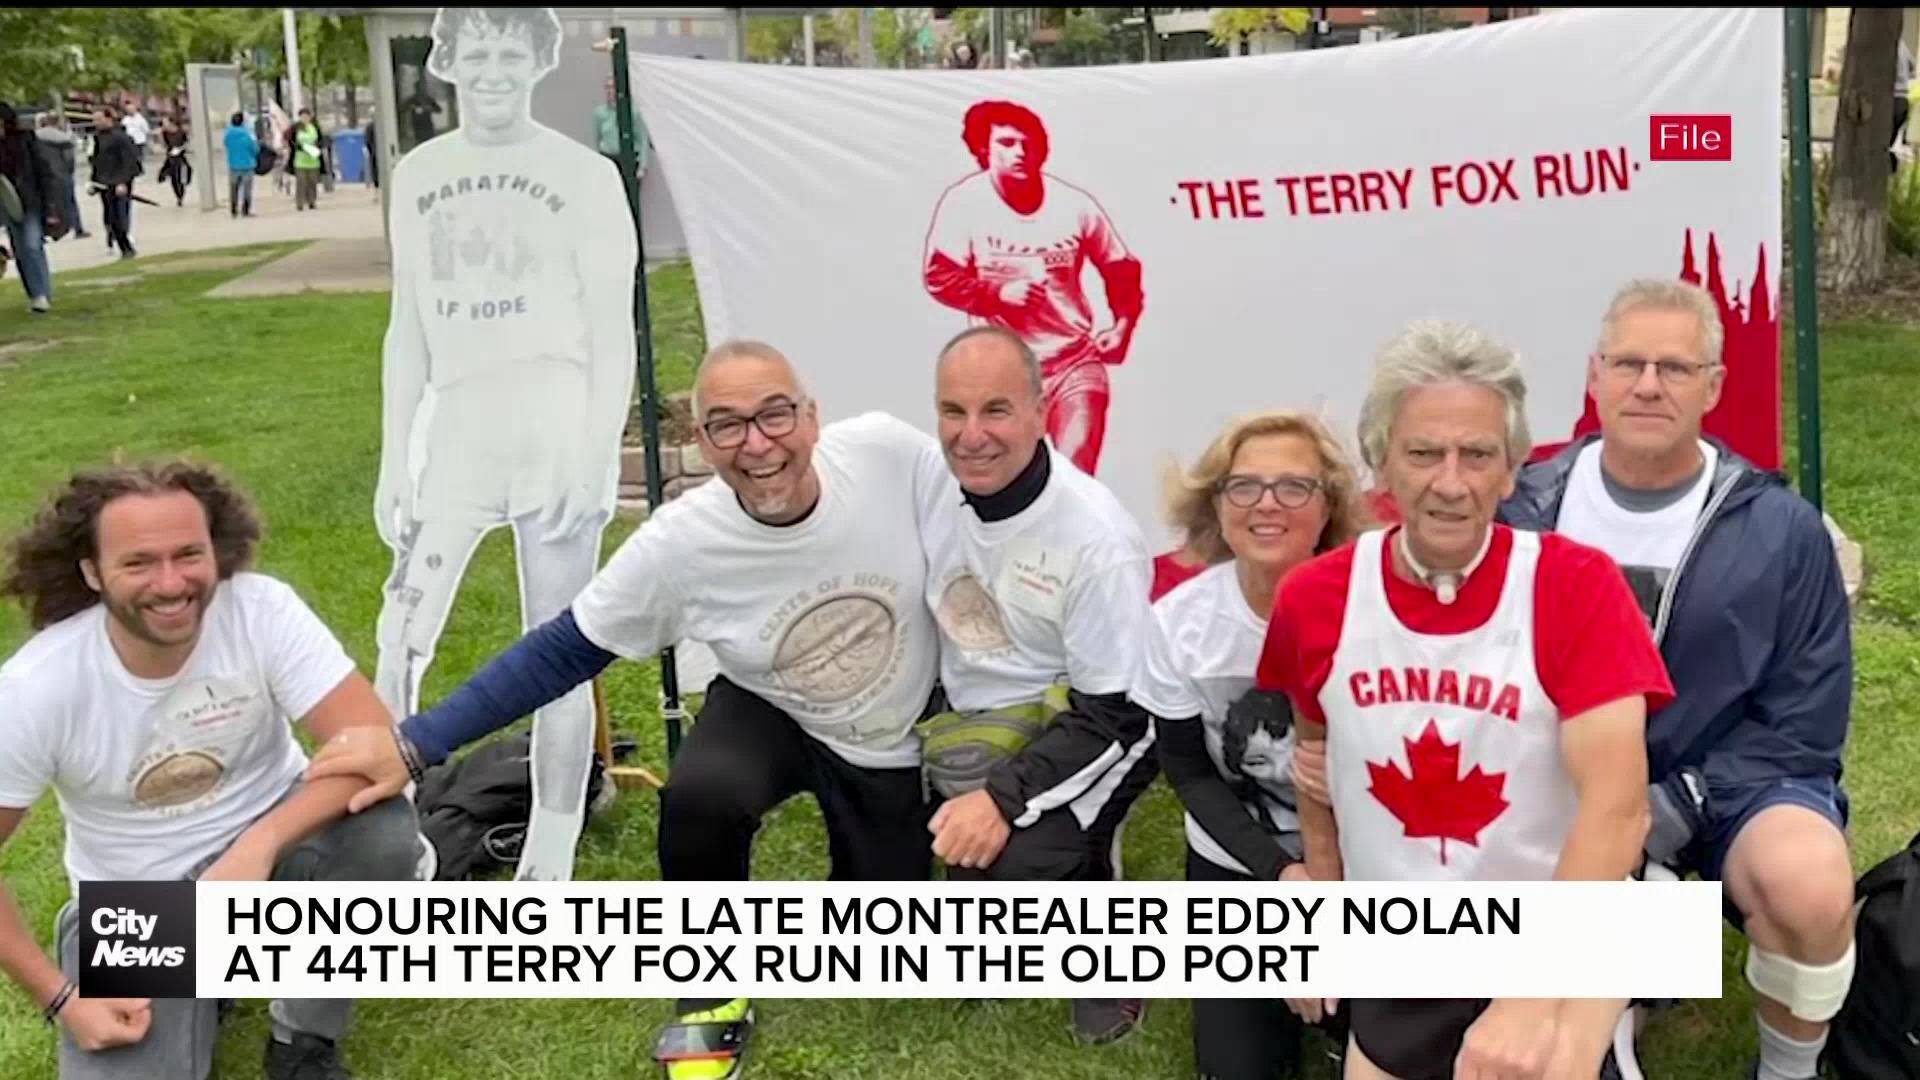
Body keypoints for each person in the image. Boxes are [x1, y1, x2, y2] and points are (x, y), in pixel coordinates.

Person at [310, 340, 950, 1080]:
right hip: (771, 706)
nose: (758, 443)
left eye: (775, 415)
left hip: (888, 736)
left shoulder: (887, 455)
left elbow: (994, 525)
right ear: (703, 443)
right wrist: (417, 744)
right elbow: (561, 651)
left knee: (879, 948)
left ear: (812, 417)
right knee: (701, 796)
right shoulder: (682, 544)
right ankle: (711, 985)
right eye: (728, 425)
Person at [1258, 320, 1673, 1080]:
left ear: (1513, 470)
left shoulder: (1574, 585)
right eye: (1423, 453)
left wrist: (1528, 994)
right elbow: (1315, 758)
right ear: (1380, 462)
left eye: (1478, 454)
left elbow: (1620, 811)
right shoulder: (1315, 599)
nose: (1451, 483)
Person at [1499, 280, 1857, 1080]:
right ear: (1594, 375)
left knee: (1808, 884)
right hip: (1566, 789)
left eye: (1675, 366)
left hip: (1725, 787)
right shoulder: (1523, 511)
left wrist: (1677, 805)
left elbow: (1804, 722)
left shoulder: (1780, 529)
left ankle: (1789, 1069)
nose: (1649, 385)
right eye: (1629, 363)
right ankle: (1626, 982)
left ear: (1714, 386)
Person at [0, 460, 425, 1080]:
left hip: (277, 855)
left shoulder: (260, 611)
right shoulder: (37, 687)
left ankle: (301, 1038)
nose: (170, 583)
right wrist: (60, 996)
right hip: (144, 902)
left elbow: (376, 745)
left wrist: (260, 842)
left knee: (382, 829)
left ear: (217, 551)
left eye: (188, 554)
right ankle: (162, 960)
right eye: (138, 562)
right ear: (92, 572)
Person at [368, 4, 637, 887]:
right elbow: (406, 326)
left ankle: (550, 851)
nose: (488, 70)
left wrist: (597, 452)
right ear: (448, 62)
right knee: (401, 633)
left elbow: (612, 328)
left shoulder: (585, 174)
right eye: (472, 51)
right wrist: (393, 457)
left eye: (506, 53)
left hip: (551, 410)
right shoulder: (418, 172)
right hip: (459, 421)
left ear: (534, 61)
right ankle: (390, 838)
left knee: (556, 643)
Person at [914, 326, 1161, 1044]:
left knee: (1022, 855)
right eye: (952, 412)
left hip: (1105, 719)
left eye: (996, 410)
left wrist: (1000, 798)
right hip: (983, 709)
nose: (971, 436)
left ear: (1041, 410)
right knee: (956, 860)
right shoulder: (931, 481)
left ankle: (1108, 948)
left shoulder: (1096, 539)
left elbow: (1116, 714)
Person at [1134, 409, 1369, 1079]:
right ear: (1217, 504)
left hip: (1365, 856)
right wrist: (1282, 877)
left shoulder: (1374, 607)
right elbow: (1186, 769)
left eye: (1294, 486)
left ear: (1327, 507)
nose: (1268, 504)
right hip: (1240, 859)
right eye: (1245, 487)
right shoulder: (1179, 623)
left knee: (1391, 1037)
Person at [923, 100, 1146, 476]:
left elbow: (1121, 267)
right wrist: (996, 294)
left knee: (1074, 476)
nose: (1020, 153)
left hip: (1073, 360)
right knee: (1012, 480)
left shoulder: (1073, 204)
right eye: (1007, 143)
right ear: (984, 150)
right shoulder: (965, 203)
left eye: (1029, 144)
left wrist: (1122, 326)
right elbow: (938, 276)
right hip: (1000, 375)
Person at [0, 101, 61, 313]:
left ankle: (42, 294)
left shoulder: (25, 140)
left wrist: (52, 207)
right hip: (7, 203)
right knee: (20, 249)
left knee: (32, 245)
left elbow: (44, 172)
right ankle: (35, 294)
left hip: (30, 201)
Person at [88, 108, 138, 259]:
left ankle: (126, 246)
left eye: (98, 119)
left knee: (120, 216)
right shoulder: (97, 138)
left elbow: (129, 160)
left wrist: (123, 181)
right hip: (104, 182)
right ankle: (118, 242)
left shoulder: (121, 137)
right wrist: (93, 181)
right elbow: (97, 161)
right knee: (109, 217)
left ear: (108, 119)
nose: (95, 123)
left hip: (119, 182)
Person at [33, 111, 88, 240]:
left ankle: (45, 232)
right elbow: (69, 159)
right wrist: (68, 170)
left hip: (43, 175)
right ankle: (77, 228)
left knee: (44, 203)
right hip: (61, 173)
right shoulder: (63, 139)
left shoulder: (35, 138)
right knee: (70, 201)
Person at [591, 76, 650, 181]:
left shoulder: (633, 112)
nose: (610, 91)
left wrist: (642, 165)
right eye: (607, 87)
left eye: (613, 87)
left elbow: (643, 138)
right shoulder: (600, 112)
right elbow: (596, 138)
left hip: (628, 159)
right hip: (609, 158)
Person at [223, 111, 258, 217]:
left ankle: (233, 209)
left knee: (234, 188)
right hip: (247, 164)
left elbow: (226, 145)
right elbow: (254, 149)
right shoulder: (248, 134)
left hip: (233, 164)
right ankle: (245, 210)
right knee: (247, 189)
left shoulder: (228, 134)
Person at [291, 108, 322, 210]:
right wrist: (298, 147)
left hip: (313, 159)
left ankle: (312, 201)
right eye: (302, 116)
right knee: (301, 182)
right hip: (300, 160)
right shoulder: (296, 127)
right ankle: (299, 203)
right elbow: (290, 140)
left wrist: (317, 147)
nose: (304, 118)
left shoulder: (315, 127)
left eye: (306, 116)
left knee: (312, 182)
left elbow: (321, 139)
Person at [157, 116, 191, 207]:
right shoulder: (164, 133)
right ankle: (179, 196)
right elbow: (163, 145)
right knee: (174, 178)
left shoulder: (181, 131)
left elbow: (187, 143)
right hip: (171, 157)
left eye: (165, 123)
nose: (164, 125)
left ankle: (182, 190)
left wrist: (180, 149)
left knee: (183, 174)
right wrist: (160, 135)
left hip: (180, 156)